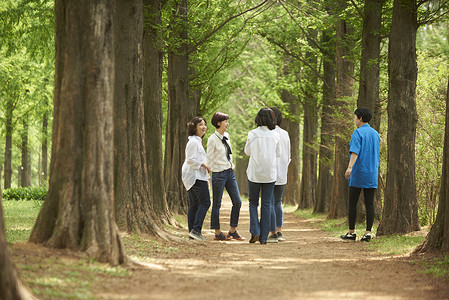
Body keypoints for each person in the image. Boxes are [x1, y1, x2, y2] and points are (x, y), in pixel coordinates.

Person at [340, 107, 380, 242]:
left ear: (360, 118)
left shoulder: (357, 133)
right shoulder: (376, 134)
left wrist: (350, 167)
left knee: (353, 202)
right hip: (372, 173)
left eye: (355, 117)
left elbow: (355, 152)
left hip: (358, 172)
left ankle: (351, 232)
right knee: (370, 203)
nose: (354, 120)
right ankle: (368, 232)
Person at [206, 112, 245, 241]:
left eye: (227, 121)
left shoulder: (227, 136)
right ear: (218, 123)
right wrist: (208, 178)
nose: (227, 124)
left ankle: (232, 230)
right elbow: (209, 160)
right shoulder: (212, 139)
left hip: (229, 172)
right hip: (218, 174)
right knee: (217, 203)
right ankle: (217, 232)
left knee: (237, 201)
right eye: (225, 121)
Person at [245, 108, 280, 244]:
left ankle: (255, 232)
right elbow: (278, 154)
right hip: (270, 173)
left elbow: (247, 152)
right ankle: (264, 238)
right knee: (266, 204)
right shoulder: (275, 135)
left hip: (254, 172)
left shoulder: (252, 134)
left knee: (253, 203)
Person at [182, 116, 211, 241]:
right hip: (195, 177)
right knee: (205, 203)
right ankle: (196, 230)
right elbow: (190, 160)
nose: (204, 127)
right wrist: (204, 165)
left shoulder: (197, 141)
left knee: (194, 205)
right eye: (200, 124)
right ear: (194, 127)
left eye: (204, 124)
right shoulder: (193, 142)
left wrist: (207, 177)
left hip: (197, 177)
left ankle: (192, 232)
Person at [268, 107, 291, 243]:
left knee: (270, 202)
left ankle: (273, 232)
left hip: (270, 172)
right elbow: (288, 155)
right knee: (278, 202)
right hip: (282, 172)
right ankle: (280, 230)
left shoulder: (269, 133)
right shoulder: (285, 134)